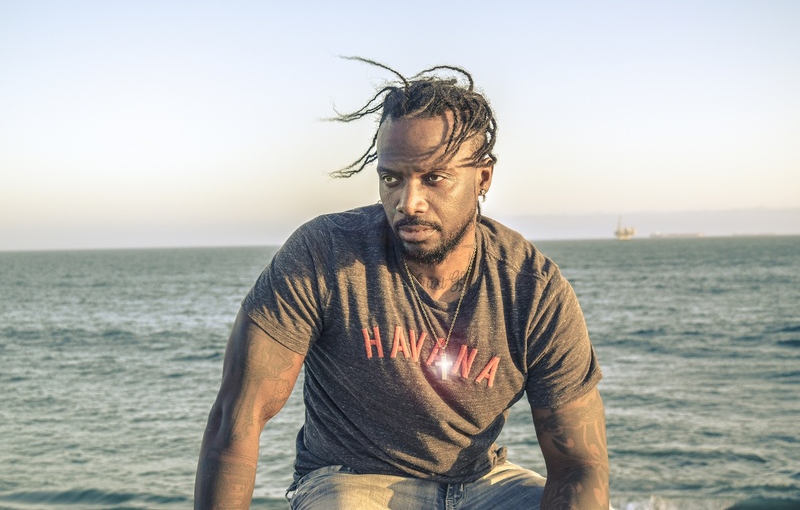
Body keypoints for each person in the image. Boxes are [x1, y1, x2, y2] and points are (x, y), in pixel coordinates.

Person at [194, 58, 609, 509]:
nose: (408, 202)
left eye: (434, 178)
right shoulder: (323, 254)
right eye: (392, 179)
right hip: (350, 482)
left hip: (484, 484)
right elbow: (236, 419)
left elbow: (579, 464)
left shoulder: (531, 289)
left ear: (482, 177)